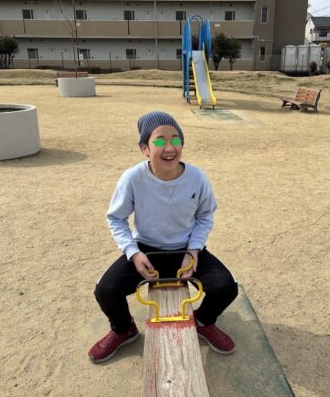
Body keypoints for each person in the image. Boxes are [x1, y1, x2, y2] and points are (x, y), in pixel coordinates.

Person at [88, 111, 238, 363]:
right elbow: (116, 218)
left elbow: (205, 216)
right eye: (159, 141)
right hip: (147, 250)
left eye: (175, 139)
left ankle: (203, 321)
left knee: (226, 287)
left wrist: (194, 250)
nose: (169, 148)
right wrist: (133, 253)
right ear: (145, 149)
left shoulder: (197, 178)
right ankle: (124, 329)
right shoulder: (133, 178)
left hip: (186, 249)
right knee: (105, 291)